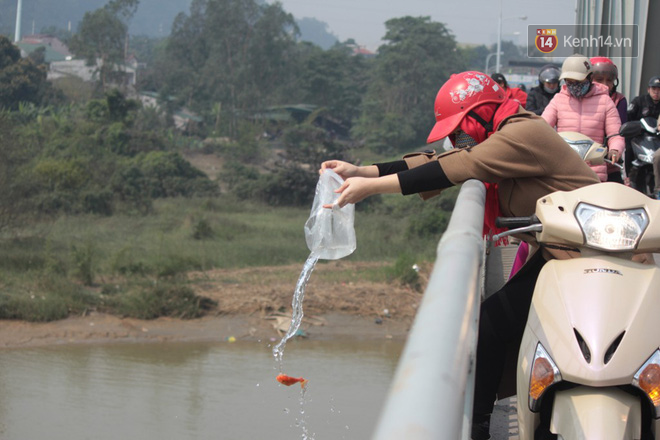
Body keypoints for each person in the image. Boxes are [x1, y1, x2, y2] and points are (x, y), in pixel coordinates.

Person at [319, 70, 600, 440]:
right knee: (505, 326)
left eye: (461, 127)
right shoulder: (503, 132)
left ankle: (479, 423)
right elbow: (440, 160)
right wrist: (361, 170)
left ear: (482, 114)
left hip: (585, 256)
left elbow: (458, 166)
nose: (459, 138)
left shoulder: (521, 134)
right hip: (562, 255)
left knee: (491, 324)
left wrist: (371, 188)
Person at [542, 54, 625, 182]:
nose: (574, 85)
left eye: (578, 82)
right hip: (563, 168)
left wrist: (615, 150)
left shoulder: (604, 101)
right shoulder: (558, 99)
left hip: (594, 170)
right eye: (569, 82)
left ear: (590, 78)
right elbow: (543, 126)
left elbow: (615, 134)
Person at [590, 56, 627, 183]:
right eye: (599, 80)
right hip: (580, 162)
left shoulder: (619, 100)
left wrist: (615, 149)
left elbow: (618, 131)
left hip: (608, 163)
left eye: (609, 80)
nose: (604, 85)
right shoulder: (572, 98)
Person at [627, 76, 660, 197]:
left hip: (656, 138)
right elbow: (627, 118)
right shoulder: (639, 101)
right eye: (654, 89)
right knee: (628, 146)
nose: (656, 92)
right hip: (638, 137)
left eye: (659, 89)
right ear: (648, 89)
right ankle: (626, 175)